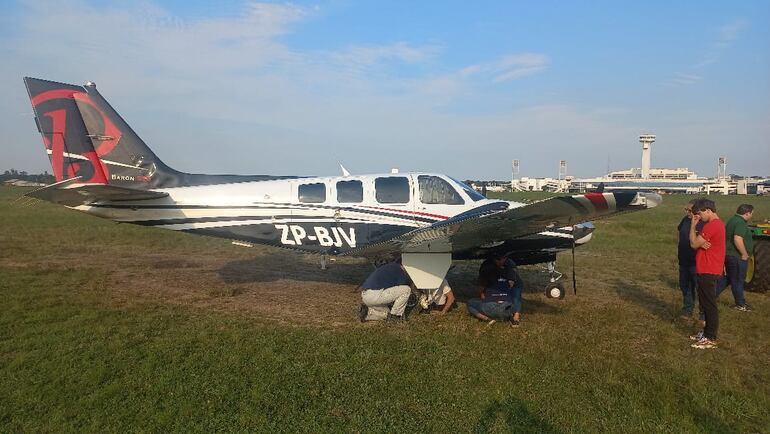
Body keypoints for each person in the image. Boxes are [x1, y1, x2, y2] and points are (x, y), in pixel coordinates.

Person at [688, 198, 725, 349]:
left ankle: (710, 337)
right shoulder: (713, 225)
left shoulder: (712, 225)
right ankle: (705, 333)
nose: (699, 217)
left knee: (709, 305)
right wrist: (700, 240)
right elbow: (697, 243)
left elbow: (693, 244)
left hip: (709, 269)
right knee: (704, 303)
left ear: (708, 210)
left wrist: (693, 227)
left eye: (700, 213)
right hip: (705, 268)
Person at [467, 254, 524, 326]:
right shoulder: (507, 278)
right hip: (507, 309)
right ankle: (513, 317)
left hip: (492, 308)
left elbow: (481, 289)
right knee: (514, 299)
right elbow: (511, 286)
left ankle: (488, 319)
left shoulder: (489, 274)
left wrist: (485, 296)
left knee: (470, 303)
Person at [717, 204, 754, 312]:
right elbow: (737, 238)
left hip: (728, 255)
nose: (751, 216)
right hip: (736, 257)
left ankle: (710, 295)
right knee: (738, 280)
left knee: (729, 278)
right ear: (747, 213)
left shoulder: (732, 220)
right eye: (751, 213)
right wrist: (744, 254)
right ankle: (740, 304)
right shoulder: (740, 223)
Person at [677, 199, 704, 317]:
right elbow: (678, 231)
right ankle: (687, 309)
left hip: (696, 263)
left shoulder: (703, 223)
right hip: (683, 261)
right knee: (685, 286)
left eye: (690, 210)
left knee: (701, 290)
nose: (688, 212)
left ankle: (703, 314)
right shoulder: (685, 220)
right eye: (686, 209)